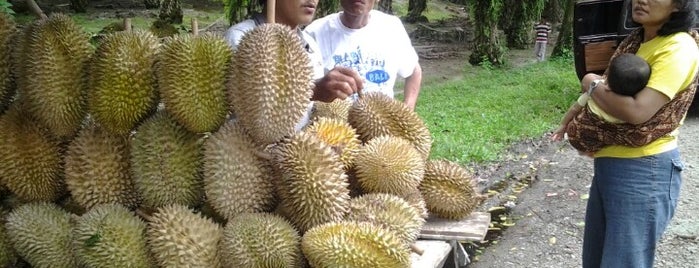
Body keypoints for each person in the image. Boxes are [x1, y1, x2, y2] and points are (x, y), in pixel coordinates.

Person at [575, 0, 699, 267]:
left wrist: (590, 81)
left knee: (623, 262)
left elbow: (637, 111)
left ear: (679, 5)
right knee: (596, 261)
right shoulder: (637, 41)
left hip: (644, 169)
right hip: (612, 164)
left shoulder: (678, 46)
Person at [223, 0, 364, 130]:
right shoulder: (240, 38)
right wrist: (313, 90)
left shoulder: (310, 45)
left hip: (295, 153)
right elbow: (258, 112)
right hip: (253, 153)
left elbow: (309, 112)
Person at [304, 0, 423, 111]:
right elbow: (295, 91)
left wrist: (408, 109)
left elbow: (414, 71)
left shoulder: (392, 27)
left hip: (382, 126)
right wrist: (317, 88)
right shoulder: (314, 34)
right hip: (332, 128)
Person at [551, 53, 651, 141]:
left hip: (584, 137)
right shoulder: (633, 108)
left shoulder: (594, 89)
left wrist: (563, 125)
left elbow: (574, 109)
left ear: (607, 81)